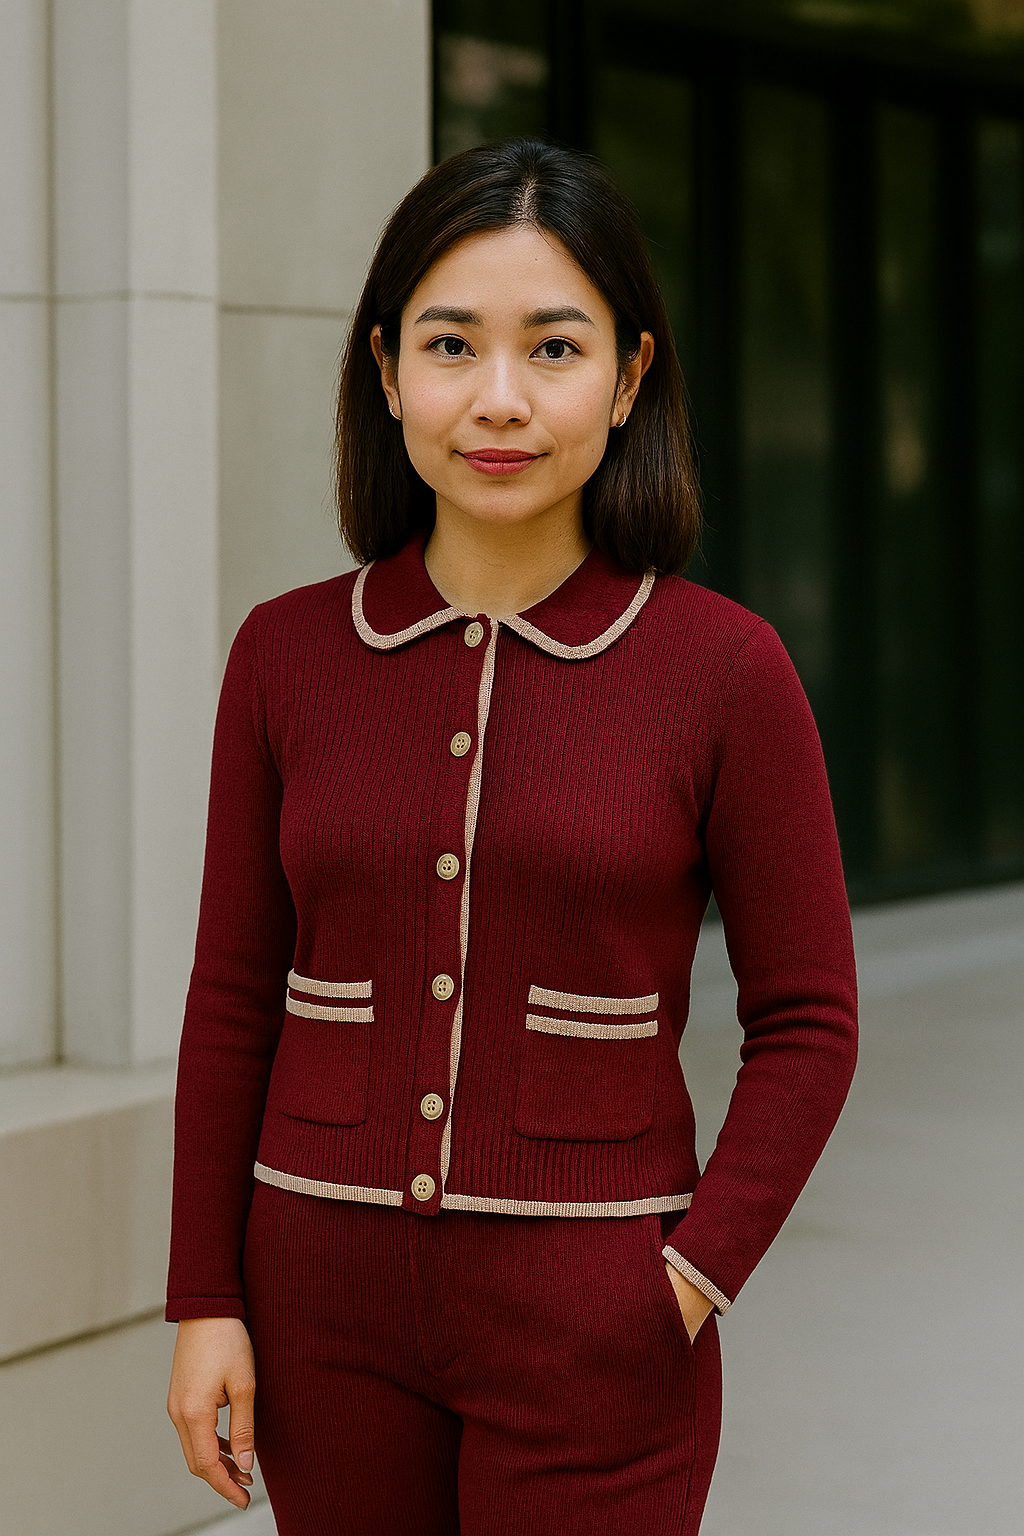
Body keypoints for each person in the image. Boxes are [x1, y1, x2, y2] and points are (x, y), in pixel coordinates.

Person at [166, 137, 858, 1535]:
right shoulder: (286, 656)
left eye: (553, 347)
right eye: (449, 345)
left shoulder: (722, 671)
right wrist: (204, 1302)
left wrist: (685, 1278)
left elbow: (809, 1021)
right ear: (384, 372)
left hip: (595, 1319)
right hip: (323, 1306)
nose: (498, 400)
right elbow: (235, 997)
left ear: (630, 378)